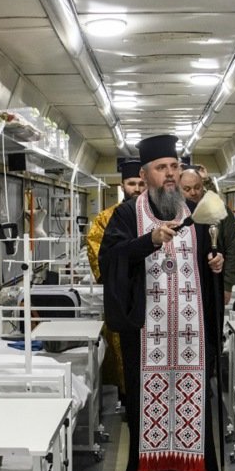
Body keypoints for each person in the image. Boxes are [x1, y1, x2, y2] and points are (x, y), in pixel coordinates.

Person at [99, 135, 224, 471]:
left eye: (174, 166)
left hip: (190, 333)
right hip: (147, 332)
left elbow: (208, 255)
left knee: (192, 403)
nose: (169, 174)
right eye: (161, 168)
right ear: (145, 173)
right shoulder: (126, 214)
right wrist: (148, 240)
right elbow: (111, 260)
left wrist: (214, 263)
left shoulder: (195, 212)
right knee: (147, 406)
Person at [85, 160, 144, 400]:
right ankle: (125, 394)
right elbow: (97, 252)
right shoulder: (105, 218)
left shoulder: (155, 215)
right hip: (121, 294)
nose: (137, 189)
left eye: (142, 184)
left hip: (150, 294)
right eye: (132, 184)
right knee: (122, 350)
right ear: (122, 186)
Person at [179, 168, 235, 304]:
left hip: (213, 280)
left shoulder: (220, 210)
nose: (193, 192)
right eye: (187, 189)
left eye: (197, 187)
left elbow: (234, 249)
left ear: (202, 185)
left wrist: (227, 285)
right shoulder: (175, 213)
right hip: (183, 283)